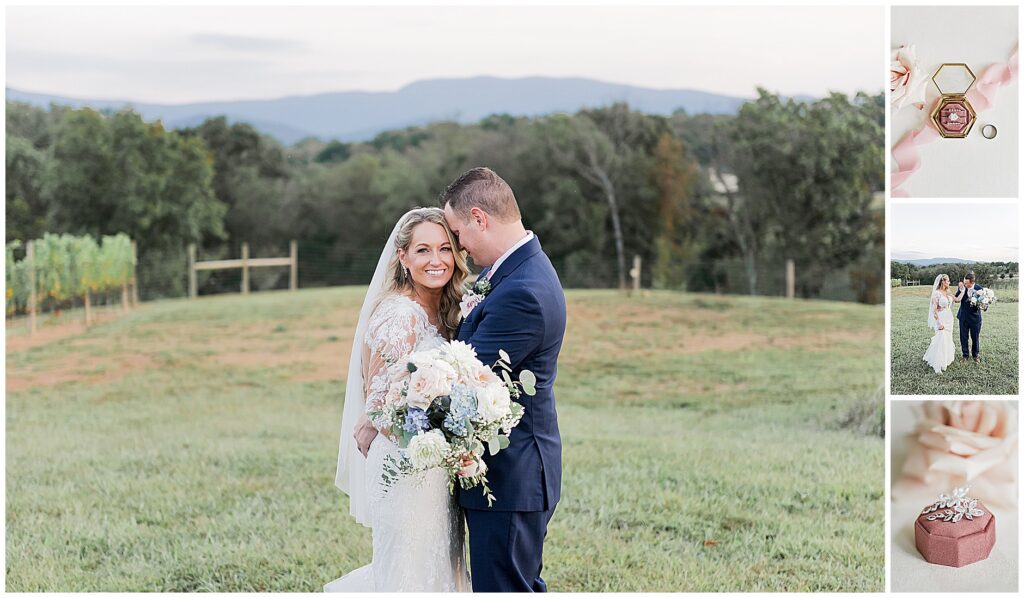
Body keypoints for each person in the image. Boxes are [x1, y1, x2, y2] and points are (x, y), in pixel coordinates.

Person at [326, 207, 472, 592]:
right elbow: (379, 405)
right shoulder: (398, 314)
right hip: (405, 467)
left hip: (437, 467)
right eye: (423, 250)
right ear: (403, 257)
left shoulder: (445, 309)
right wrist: (434, 445)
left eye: (445, 248)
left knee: (437, 568)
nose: (436, 260)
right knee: (406, 572)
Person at [441, 167, 567, 592]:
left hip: (510, 477)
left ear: (479, 218)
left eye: (458, 232)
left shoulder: (522, 291)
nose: (459, 244)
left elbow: (464, 379)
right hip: (513, 474)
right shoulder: (516, 271)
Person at [922, 274, 955, 374]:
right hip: (941, 319)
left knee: (947, 338)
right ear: (943, 282)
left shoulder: (948, 292)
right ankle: (938, 363)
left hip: (949, 318)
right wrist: (939, 323)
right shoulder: (936, 293)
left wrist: (962, 291)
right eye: (948, 281)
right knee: (941, 339)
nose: (949, 282)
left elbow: (954, 301)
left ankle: (946, 359)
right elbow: (934, 310)